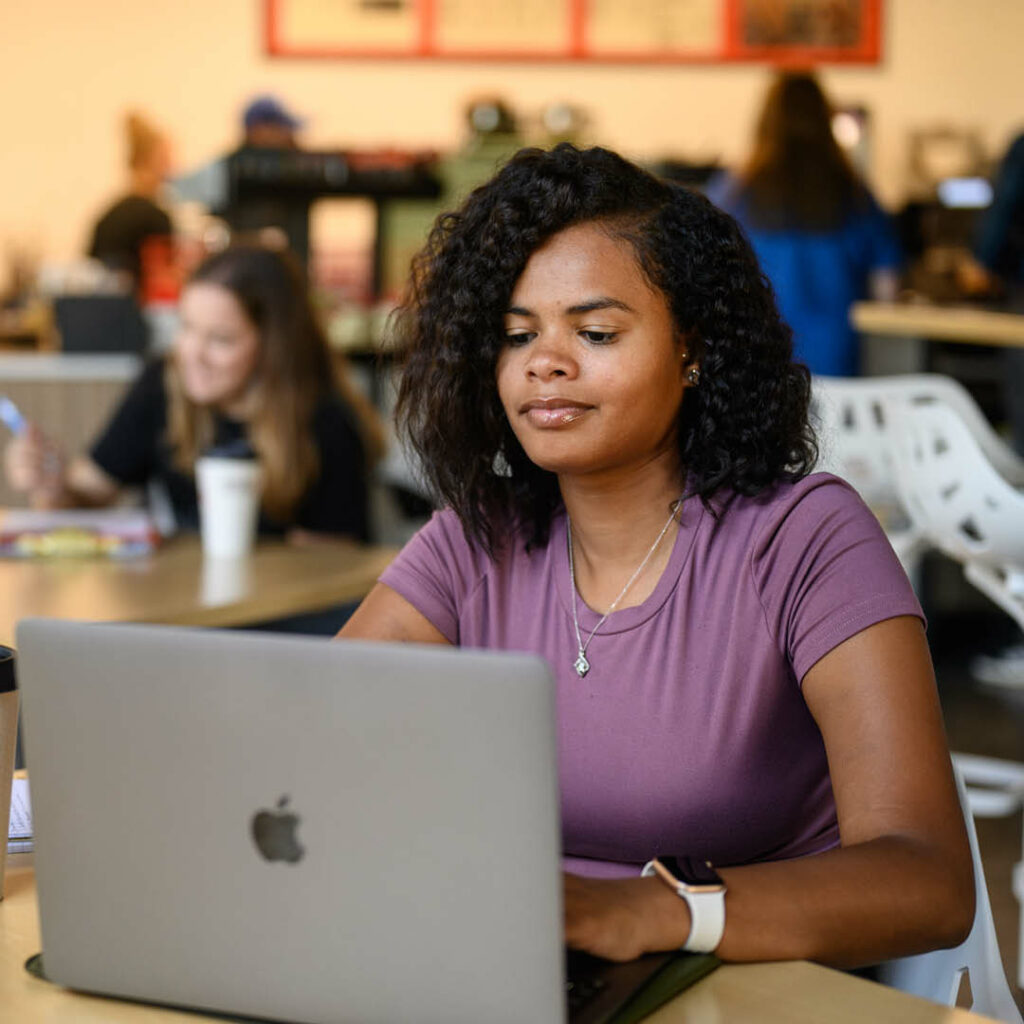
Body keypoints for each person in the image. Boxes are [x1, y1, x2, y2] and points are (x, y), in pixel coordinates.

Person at [339, 143, 973, 967]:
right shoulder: (475, 541)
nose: (545, 363)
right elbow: (317, 749)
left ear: (694, 348)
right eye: (515, 334)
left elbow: (928, 884)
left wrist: (654, 912)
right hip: (529, 976)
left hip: (756, 989)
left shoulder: (805, 540)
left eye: (596, 330)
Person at [4, 244, 381, 542]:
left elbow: (326, 574)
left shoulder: (326, 423)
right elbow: (84, 498)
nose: (192, 354)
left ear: (273, 346)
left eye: (220, 339)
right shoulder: (161, 387)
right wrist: (50, 485)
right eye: (186, 328)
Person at [707, 72, 902, 377]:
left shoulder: (732, 193)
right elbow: (887, 288)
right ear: (825, 121)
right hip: (836, 371)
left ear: (765, 121)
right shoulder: (854, 195)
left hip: (756, 369)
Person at [87, 111, 175, 292]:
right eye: (166, 160)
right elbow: (162, 280)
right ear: (149, 163)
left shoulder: (110, 214)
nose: (173, 168)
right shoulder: (154, 217)